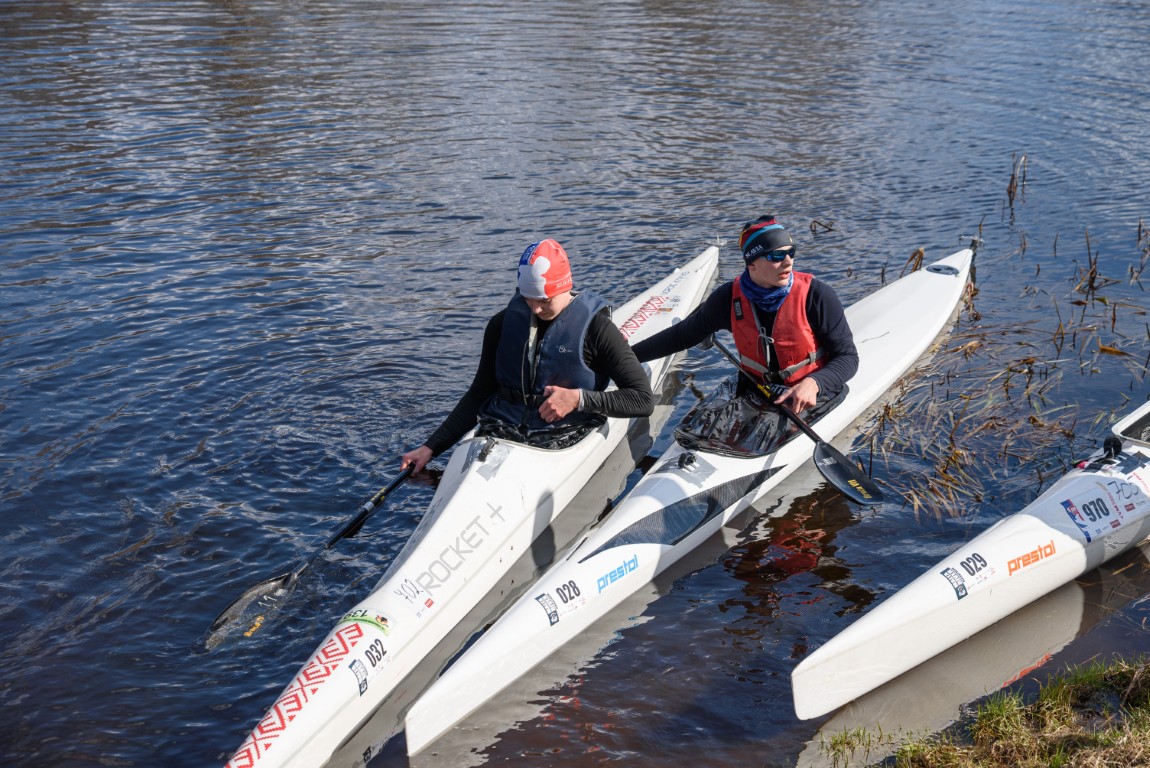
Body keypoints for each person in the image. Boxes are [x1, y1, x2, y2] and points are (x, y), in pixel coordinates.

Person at [401, 238, 654, 473]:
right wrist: (430, 447)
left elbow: (642, 400)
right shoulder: (501, 324)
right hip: (501, 431)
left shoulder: (598, 330)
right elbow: (480, 392)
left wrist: (578, 399)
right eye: (528, 299)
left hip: (566, 434)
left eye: (544, 300)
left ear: (564, 287)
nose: (535, 309)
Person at [631, 215, 857, 415]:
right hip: (757, 388)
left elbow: (848, 358)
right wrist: (625, 358)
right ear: (752, 264)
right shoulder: (727, 299)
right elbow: (681, 336)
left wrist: (814, 383)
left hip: (810, 391)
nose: (788, 261)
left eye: (791, 252)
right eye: (777, 255)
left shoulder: (816, 295)